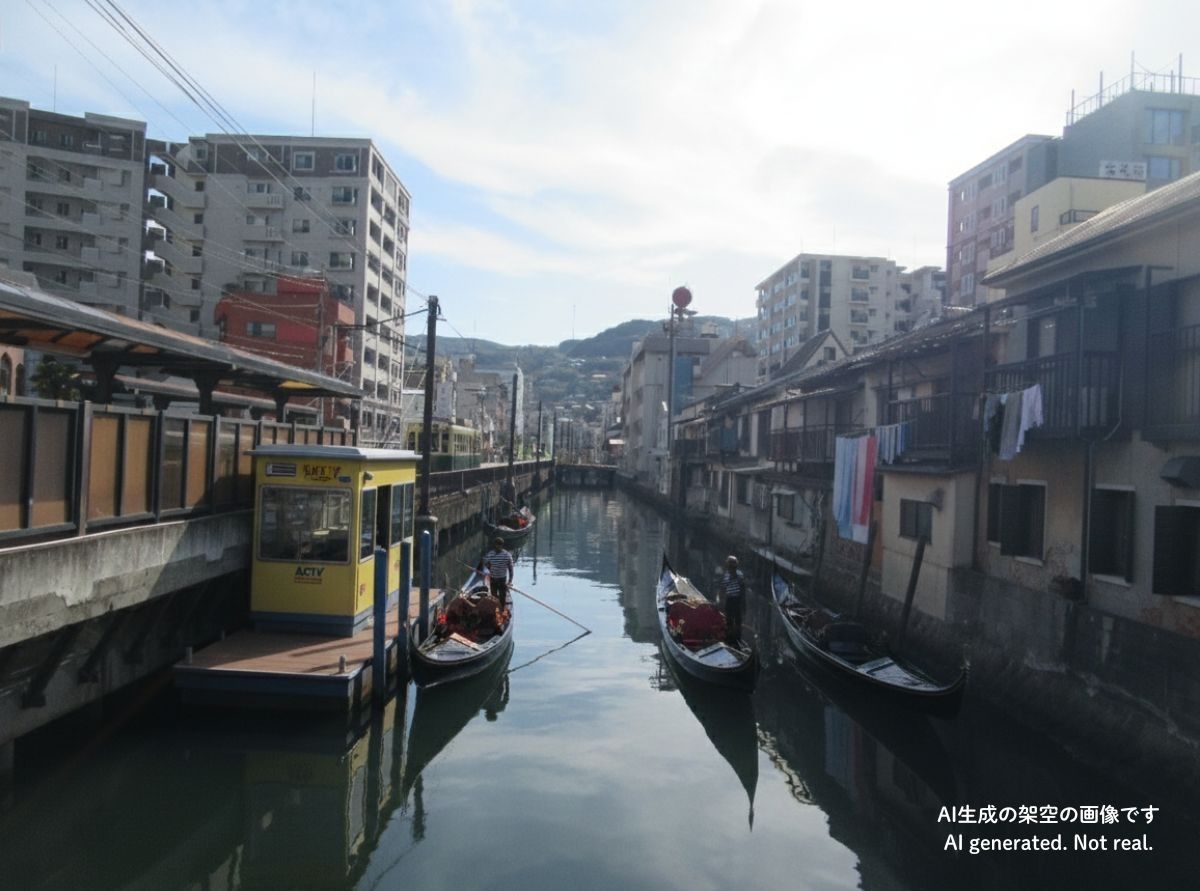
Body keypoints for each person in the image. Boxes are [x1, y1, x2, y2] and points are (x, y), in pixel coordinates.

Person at [719, 555, 746, 642]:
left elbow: (742, 589)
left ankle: (736, 638)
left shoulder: (738, 575)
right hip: (731, 600)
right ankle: (731, 638)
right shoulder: (728, 575)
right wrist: (721, 600)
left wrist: (743, 603)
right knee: (730, 619)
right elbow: (723, 588)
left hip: (735, 600)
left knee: (736, 620)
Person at [483, 537, 515, 608]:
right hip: (493, 579)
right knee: (494, 597)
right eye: (496, 545)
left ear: (501, 545)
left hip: (502, 579)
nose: (497, 547)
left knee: (502, 597)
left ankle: (502, 610)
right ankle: (496, 610)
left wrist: (510, 581)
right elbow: (485, 563)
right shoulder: (490, 554)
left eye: (499, 545)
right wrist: (489, 569)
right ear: (494, 545)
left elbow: (511, 569)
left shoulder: (507, 555)